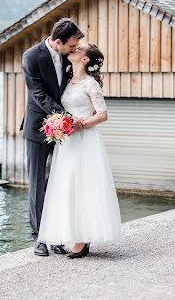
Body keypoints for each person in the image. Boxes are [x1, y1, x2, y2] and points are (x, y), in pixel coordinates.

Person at [37, 43, 122, 258]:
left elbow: (102, 114)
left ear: (85, 59)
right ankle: (72, 233)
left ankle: (84, 239)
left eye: (79, 49)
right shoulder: (68, 81)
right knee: (68, 184)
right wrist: (60, 124)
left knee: (84, 185)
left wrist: (79, 123)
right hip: (68, 142)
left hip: (85, 140)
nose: (74, 49)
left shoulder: (91, 84)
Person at [21, 17, 85, 256]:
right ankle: (39, 238)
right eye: (71, 46)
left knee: (58, 183)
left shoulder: (69, 56)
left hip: (66, 131)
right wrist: (67, 117)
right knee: (38, 184)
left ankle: (56, 234)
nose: (74, 50)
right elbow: (38, 95)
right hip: (39, 128)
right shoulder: (31, 56)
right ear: (57, 42)